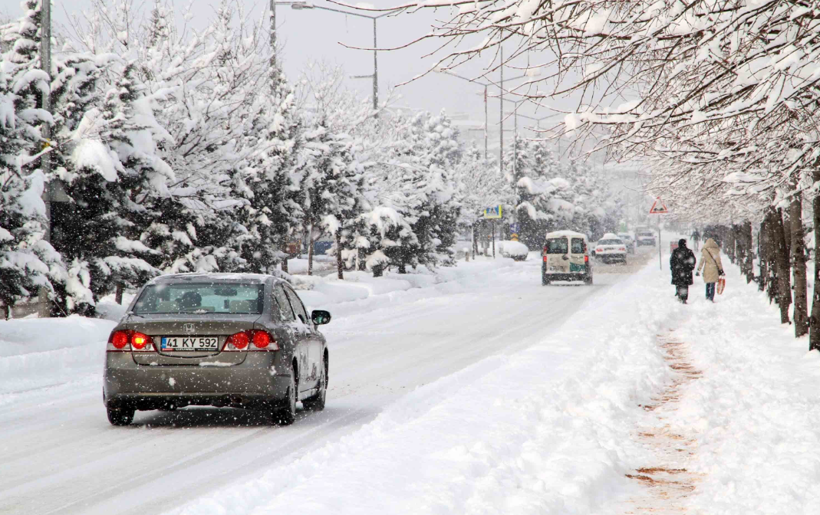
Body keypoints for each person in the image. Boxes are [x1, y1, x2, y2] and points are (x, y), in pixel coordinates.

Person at [670, 238, 696, 303]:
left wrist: (673, 268)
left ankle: (679, 295)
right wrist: (690, 268)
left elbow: (672, 261)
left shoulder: (675, 251)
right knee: (685, 285)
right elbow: (693, 261)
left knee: (679, 284)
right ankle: (684, 298)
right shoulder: (689, 251)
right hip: (686, 272)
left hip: (678, 271)